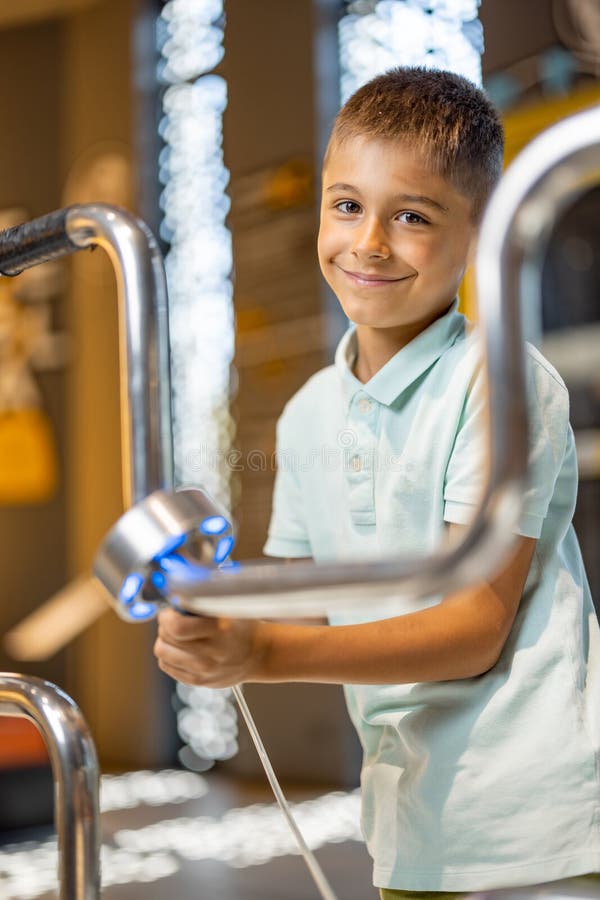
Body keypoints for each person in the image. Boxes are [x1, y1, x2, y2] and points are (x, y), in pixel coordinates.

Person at [154, 67, 600, 898]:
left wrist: (265, 654)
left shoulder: (499, 381)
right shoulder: (308, 414)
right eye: (348, 205)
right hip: (408, 818)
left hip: (538, 818)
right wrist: (209, 601)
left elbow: (474, 627)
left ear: (477, 237)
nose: (368, 243)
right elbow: (302, 589)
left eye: (413, 217)